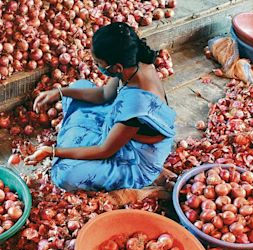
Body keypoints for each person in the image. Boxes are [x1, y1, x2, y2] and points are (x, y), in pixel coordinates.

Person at [25, 22, 176, 192]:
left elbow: (104, 151)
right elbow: (104, 94)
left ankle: (150, 177)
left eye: (98, 64)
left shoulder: (136, 103)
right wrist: (60, 92)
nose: (97, 67)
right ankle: (73, 138)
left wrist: (51, 151)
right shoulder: (132, 65)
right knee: (80, 86)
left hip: (136, 159)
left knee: (64, 174)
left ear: (116, 67)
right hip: (122, 129)